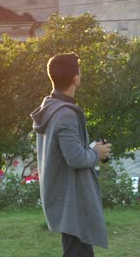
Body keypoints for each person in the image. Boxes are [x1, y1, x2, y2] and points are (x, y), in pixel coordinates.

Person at [30, 52, 111, 256]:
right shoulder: (65, 114)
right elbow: (75, 158)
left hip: (66, 198)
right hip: (72, 200)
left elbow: (69, 151)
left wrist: (91, 150)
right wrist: (96, 152)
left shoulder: (51, 108)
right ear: (75, 78)